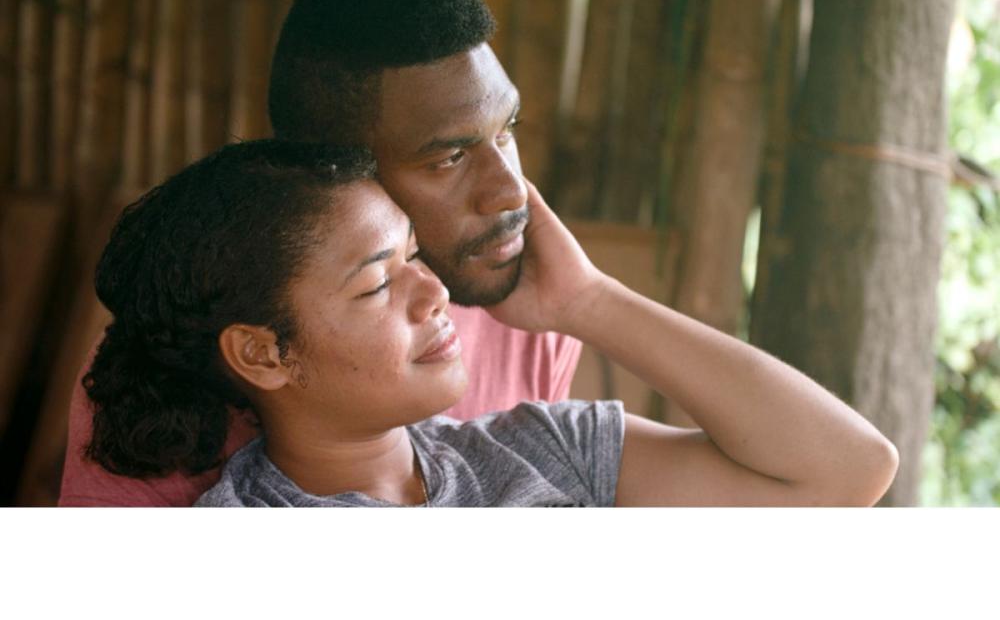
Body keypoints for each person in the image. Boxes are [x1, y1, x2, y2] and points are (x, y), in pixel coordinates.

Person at [86, 140, 898, 507]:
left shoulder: (543, 451)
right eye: (377, 285)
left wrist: (589, 302)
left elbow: (845, 471)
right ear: (264, 353)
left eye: (413, 257)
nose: (431, 291)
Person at [59, 0, 582, 506]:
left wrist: (591, 305)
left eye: (507, 128)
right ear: (332, 174)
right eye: (446, 158)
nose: (513, 191)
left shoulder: (532, 317)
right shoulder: (162, 378)